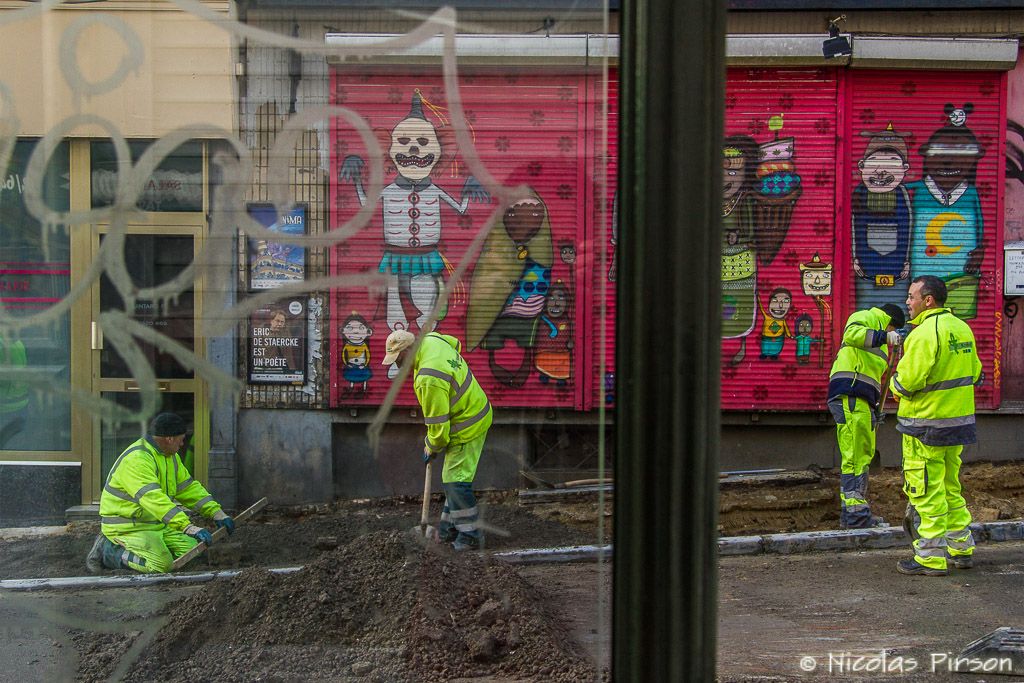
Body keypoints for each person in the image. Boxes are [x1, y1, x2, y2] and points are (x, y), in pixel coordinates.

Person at [890, 275, 983, 576]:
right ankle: (961, 548)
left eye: (911, 296)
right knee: (949, 487)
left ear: (927, 300)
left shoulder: (924, 333)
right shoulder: (962, 328)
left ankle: (929, 557)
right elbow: (977, 372)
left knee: (925, 490)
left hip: (926, 425)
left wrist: (894, 383)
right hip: (957, 424)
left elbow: (908, 381)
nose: (908, 301)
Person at [382, 329, 492, 550]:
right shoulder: (432, 339)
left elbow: (439, 429)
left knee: (455, 481)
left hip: (467, 424)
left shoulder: (429, 378)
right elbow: (456, 344)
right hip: (475, 409)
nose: (398, 366)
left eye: (400, 359)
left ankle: (470, 535)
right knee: (452, 478)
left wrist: (431, 447)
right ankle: (448, 529)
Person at [85, 412, 235, 574]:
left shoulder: (169, 456)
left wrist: (216, 512)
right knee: (161, 566)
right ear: (169, 439)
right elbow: (154, 500)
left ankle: (150, 549)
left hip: (157, 525)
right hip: (129, 528)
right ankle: (108, 550)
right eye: (181, 438)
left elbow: (188, 488)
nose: (183, 443)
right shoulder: (137, 460)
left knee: (195, 551)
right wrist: (187, 527)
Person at [827, 302, 905, 529]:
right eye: (893, 331)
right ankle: (856, 517)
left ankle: (851, 514)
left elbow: (869, 373)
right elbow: (852, 334)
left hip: (860, 400)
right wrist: (885, 336)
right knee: (855, 457)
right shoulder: (867, 317)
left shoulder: (879, 342)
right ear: (890, 322)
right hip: (851, 395)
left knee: (861, 454)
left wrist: (874, 410)